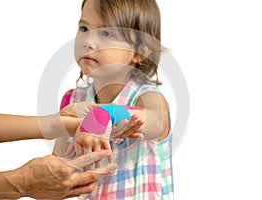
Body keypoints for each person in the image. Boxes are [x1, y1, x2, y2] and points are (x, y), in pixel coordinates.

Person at [53, 0, 174, 199]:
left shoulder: (146, 98)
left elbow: (156, 123)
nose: (88, 42)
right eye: (84, 28)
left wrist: (103, 115)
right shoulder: (73, 100)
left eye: (106, 33)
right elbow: (59, 166)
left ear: (140, 51)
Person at [0, 106, 119, 200]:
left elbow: (139, 117)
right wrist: (22, 182)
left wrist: (53, 125)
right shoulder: (74, 95)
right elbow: (59, 153)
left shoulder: (141, 94)